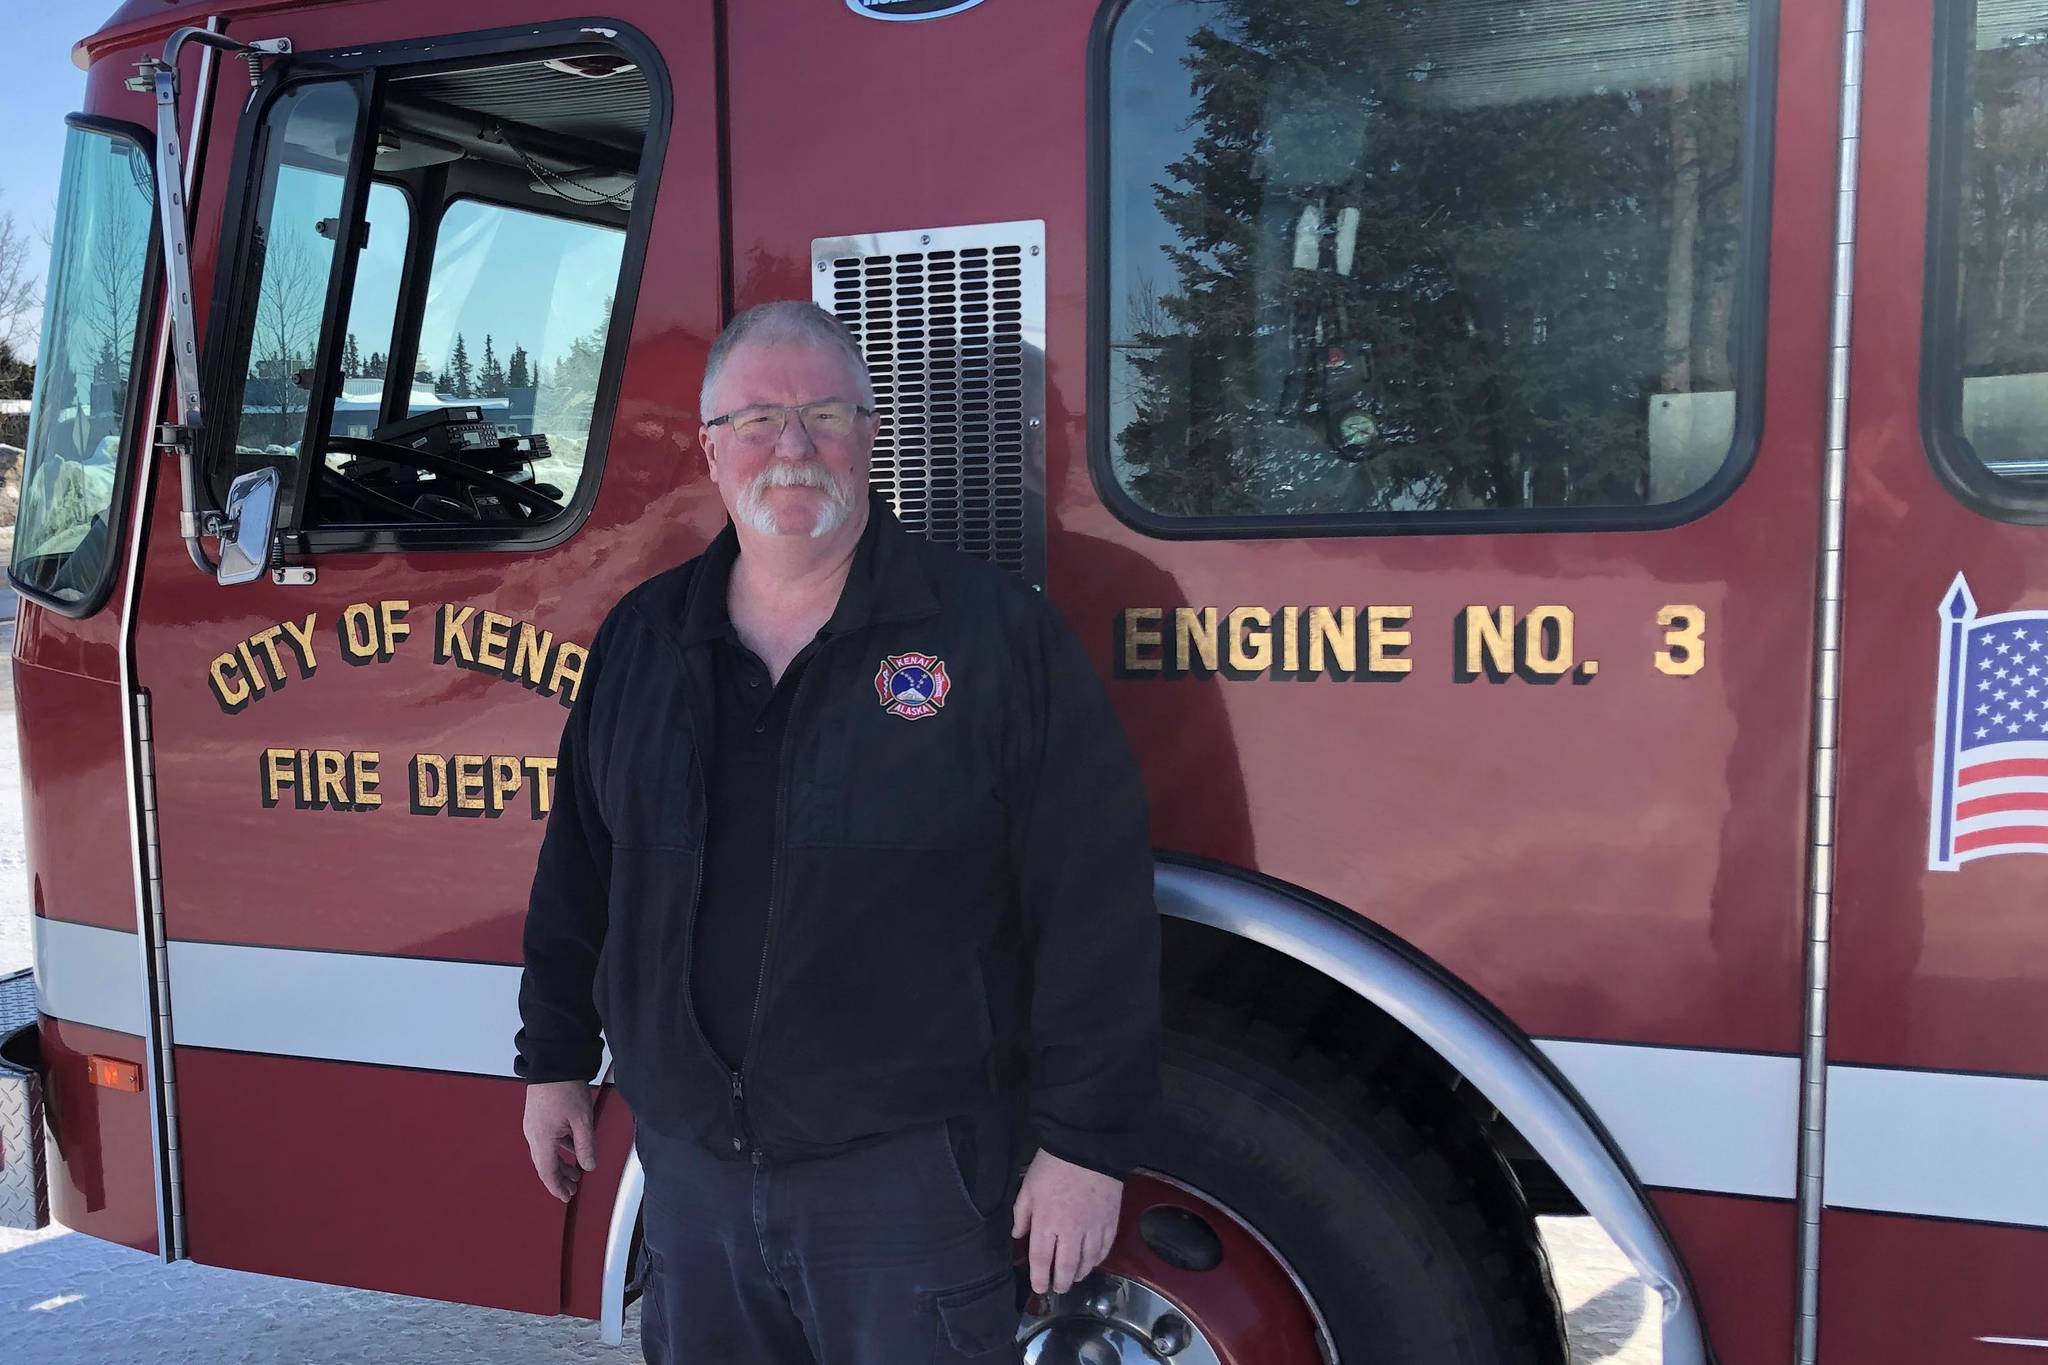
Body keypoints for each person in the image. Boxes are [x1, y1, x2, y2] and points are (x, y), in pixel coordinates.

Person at [513, 300, 1161, 1363]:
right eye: (759, 420)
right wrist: (551, 1061)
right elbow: (580, 874)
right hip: (693, 1187)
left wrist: (1085, 1146)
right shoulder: (642, 642)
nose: (794, 447)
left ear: (870, 436)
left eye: (824, 413)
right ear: (710, 449)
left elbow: (1092, 903)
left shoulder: (993, 640)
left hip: (907, 1188)